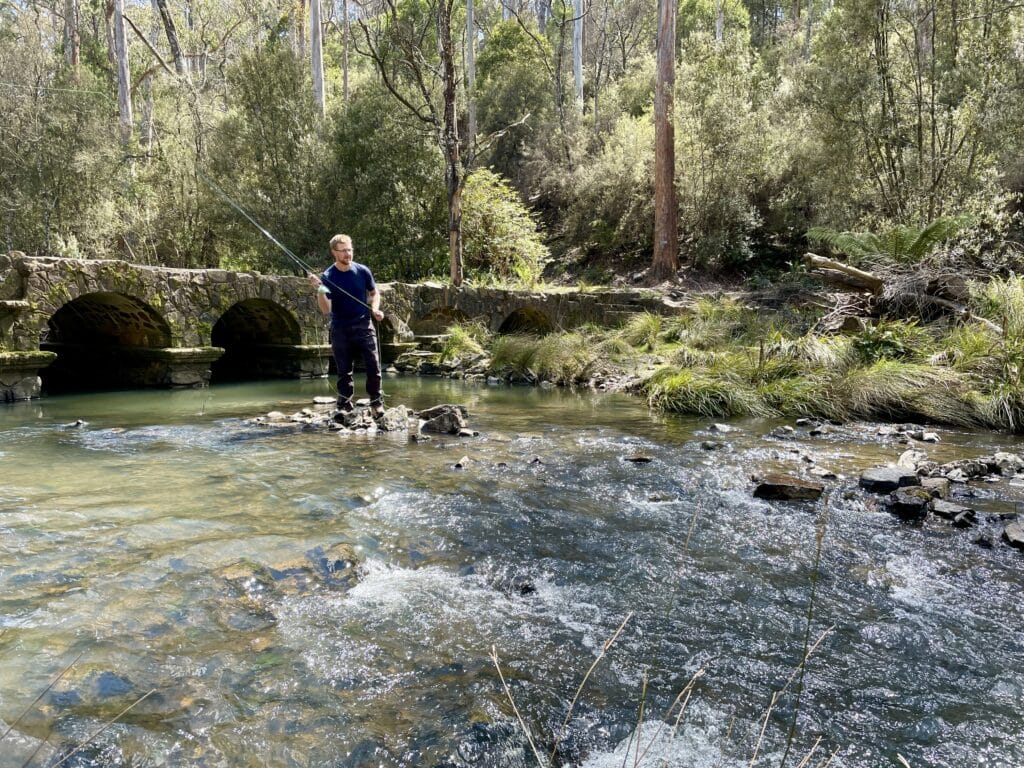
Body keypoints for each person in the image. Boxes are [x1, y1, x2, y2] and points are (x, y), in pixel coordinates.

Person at [309, 234, 385, 417]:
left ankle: (376, 402)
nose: (347, 254)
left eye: (349, 249)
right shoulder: (327, 276)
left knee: (374, 365)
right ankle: (344, 405)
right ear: (334, 252)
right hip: (340, 327)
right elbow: (326, 309)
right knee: (344, 370)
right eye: (343, 251)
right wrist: (320, 289)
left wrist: (375, 309)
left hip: (364, 324)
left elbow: (374, 293)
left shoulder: (363, 271)